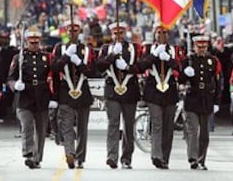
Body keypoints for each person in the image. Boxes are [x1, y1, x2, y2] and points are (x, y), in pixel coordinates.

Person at [96, 21, 141, 170]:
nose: (118, 35)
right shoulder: (105, 48)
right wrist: (113, 55)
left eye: (120, 32)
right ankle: (112, 156)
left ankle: (126, 158)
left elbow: (141, 67)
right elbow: (99, 66)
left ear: (125, 32)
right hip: (112, 91)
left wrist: (127, 67)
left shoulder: (134, 48)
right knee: (113, 124)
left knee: (128, 126)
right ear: (111, 34)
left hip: (130, 91)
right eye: (115, 33)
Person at [8, 28, 54, 169]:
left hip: (42, 96)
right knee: (27, 125)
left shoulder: (47, 57)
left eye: (36, 42)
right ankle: (28, 153)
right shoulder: (19, 57)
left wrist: (53, 97)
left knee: (41, 130)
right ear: (27, 42)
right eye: (31, 42)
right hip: (25, 97)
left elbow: (52, 77)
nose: (34, 45)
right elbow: (10, 77)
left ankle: (37, 158)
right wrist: (15, 85)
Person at [51, 21, 94, 169]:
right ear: (66, 32)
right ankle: (70, 153)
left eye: (75, 31)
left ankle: (81, 157)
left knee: (82, 128)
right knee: (66, 126)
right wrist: (66, 56)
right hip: (65, 92)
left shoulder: (87, 50)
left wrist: (79, 63)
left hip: (83, 92)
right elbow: (54, 68)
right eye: (69, 31)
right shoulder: (59, 48)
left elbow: (93, 72)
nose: (72, 33)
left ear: (79, 32)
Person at [138, 23, 181, 170]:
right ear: (154, 35)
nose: (161, 35)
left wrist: (167, 58)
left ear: (168, 35)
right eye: (158, 33)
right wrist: (155, 55)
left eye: (164, 33)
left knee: (168, 127)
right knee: (157, 123)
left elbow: (180, 68)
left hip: (169, 92)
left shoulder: (175, 50)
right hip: (153, 92)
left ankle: (165, 158)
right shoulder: (148, 49)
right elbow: (141, 66)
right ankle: (156, 155)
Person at [180, 35, 222, 170]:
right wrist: (185, 74)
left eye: (204, 46)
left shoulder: (213, 61)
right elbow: (180, 80)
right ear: (194, 47)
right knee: (193, 131)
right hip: (193, 98)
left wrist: (217, 101)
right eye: (199, 47)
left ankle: (201, 159)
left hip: (206, 99)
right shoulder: (188, 60)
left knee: (204, 133)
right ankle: (192, 158)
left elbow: (217, 82)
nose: (202, 49)